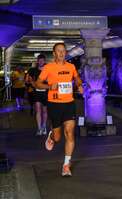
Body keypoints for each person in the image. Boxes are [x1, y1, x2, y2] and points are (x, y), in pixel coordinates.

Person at [35, 43, 83, 177]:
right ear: (54, 53)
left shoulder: (71, 66)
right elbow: (38, 83)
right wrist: (49, 86)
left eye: (63, 51)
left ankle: (66, 165)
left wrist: (79, 84)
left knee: (70, 133)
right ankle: (51, 136)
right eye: (59, 51)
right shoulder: (49, 67)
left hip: (69, 104)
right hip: (54, 105)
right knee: (58, 136)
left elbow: (77, 78)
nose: (62, 53)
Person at [27, 54, 48, 135]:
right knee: (38, 110)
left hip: (46, 93)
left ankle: (44, 126)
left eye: (42, 60)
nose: (41, 62)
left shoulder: (48, 70)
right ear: (37, 61)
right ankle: (39, 128)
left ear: (44, 61)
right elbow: (29, 79)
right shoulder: (33, 70)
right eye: (39, 60)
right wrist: (33, 83)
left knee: (45, 111)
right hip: (37, 93)